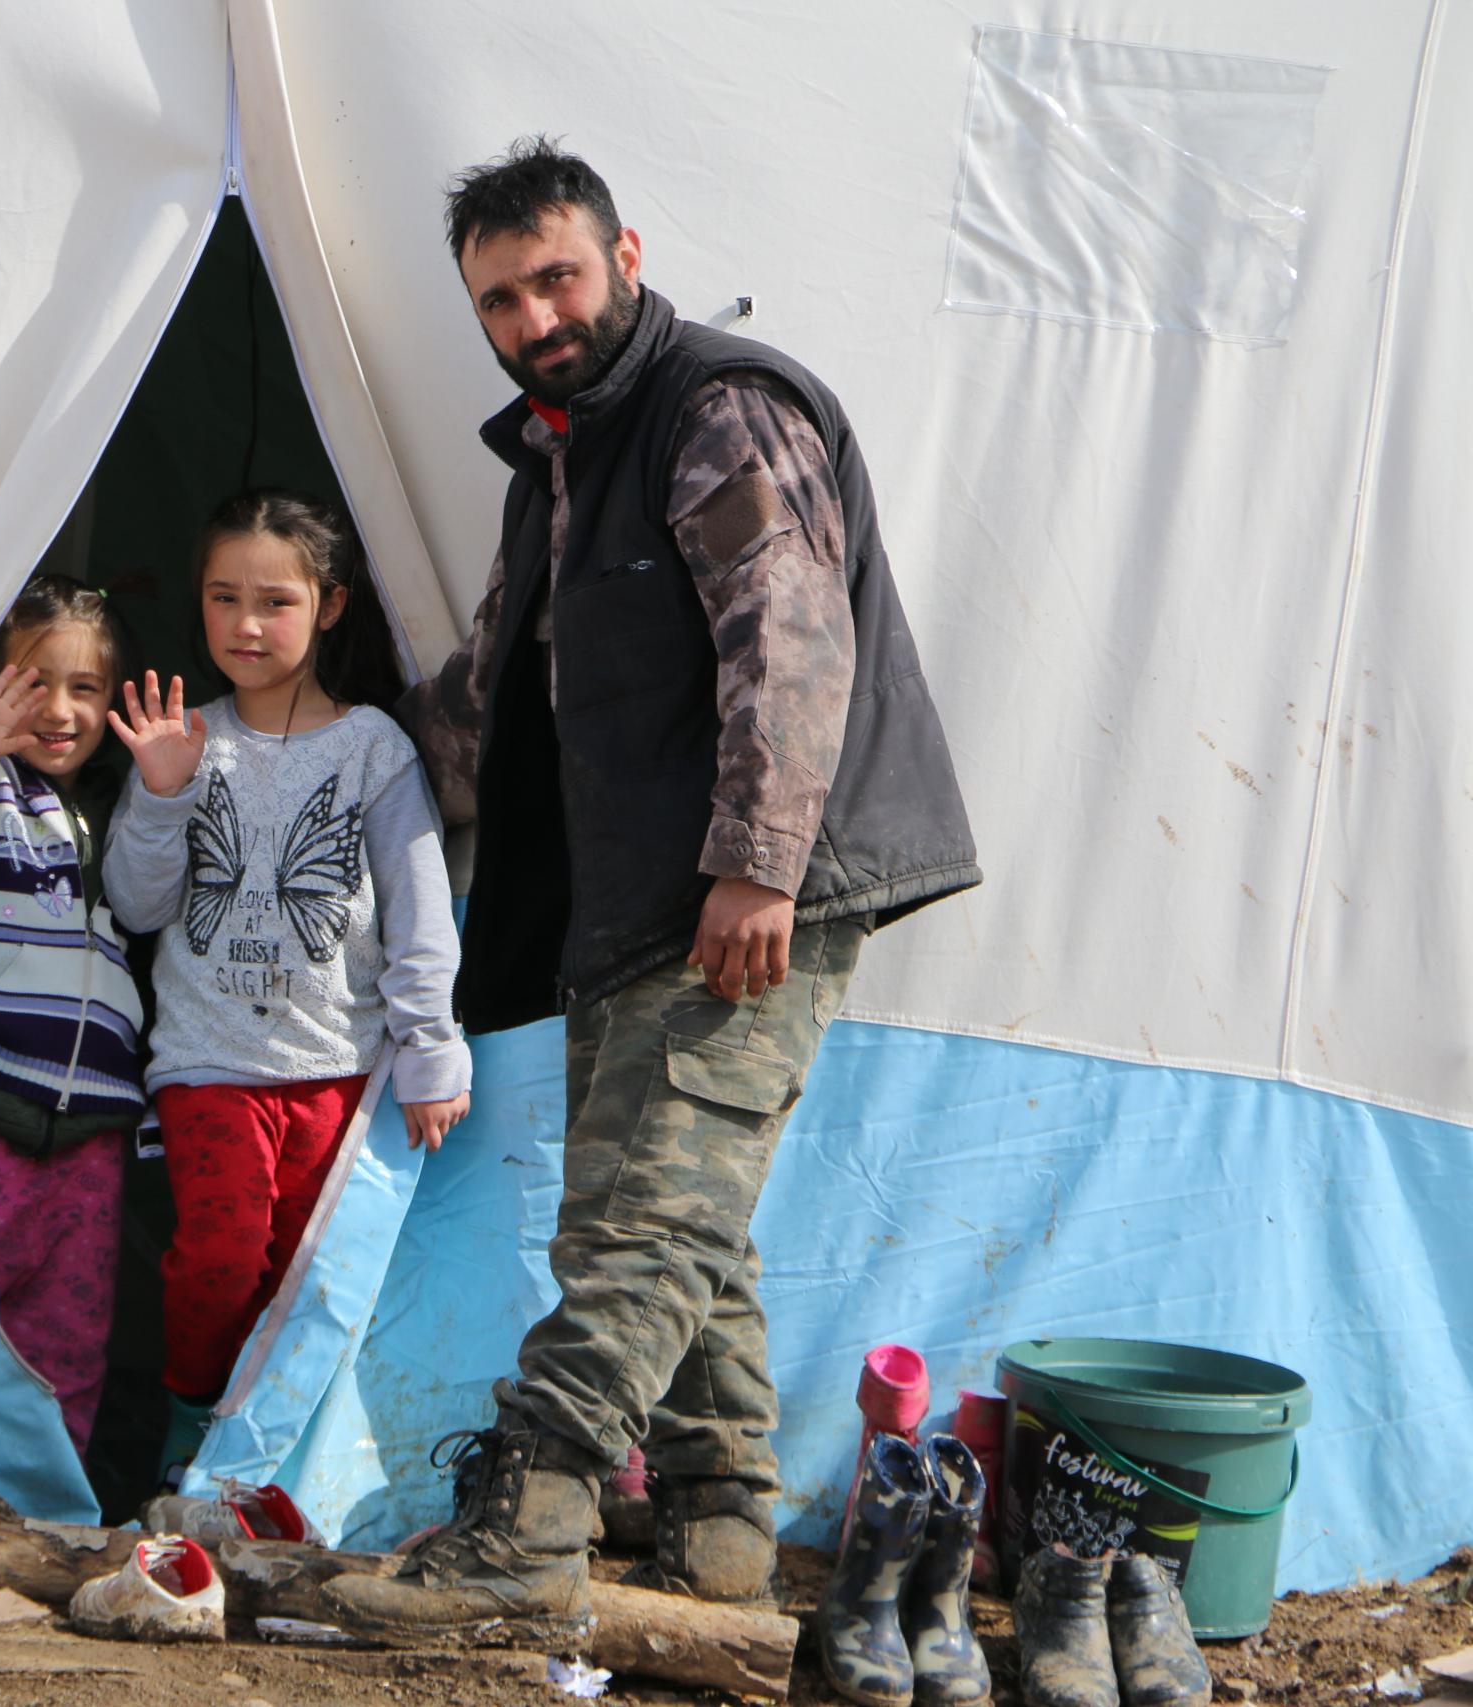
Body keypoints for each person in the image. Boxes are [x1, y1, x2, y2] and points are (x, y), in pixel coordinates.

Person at [324, 139, 980, 1644]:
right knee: (679, 1219)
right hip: (631, 907)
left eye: (555, 278)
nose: (535, 318)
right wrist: (321, 741)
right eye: (501, 300)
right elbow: (493, 700)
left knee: (641, 1231)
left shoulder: (715, 409)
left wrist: (756, 864)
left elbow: (789, 640)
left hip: (746, 894)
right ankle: (720, 1514)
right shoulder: (558, 466)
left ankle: (529, 1523)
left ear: (624, 258)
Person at [103, 490, 473, 1483]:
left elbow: (417, 911)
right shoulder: (186, 738)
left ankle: (260, 1467)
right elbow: (135, 904)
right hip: (210, 1062)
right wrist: (164, 791)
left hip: (337, 1068)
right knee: (220, 1256)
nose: (248, 624)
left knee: (306, 1279)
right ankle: (191, 1423)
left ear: (331, 605)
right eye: (224, 598)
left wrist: (430, 1046)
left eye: (276, 601)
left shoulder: (373, 749)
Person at [0, 576, 145, 1459]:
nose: (60, 710)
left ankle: (42, 1504)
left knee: (68, 1340)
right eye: (35, 682)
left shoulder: (120, 810)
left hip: (93, 1132)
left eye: (85, 687)